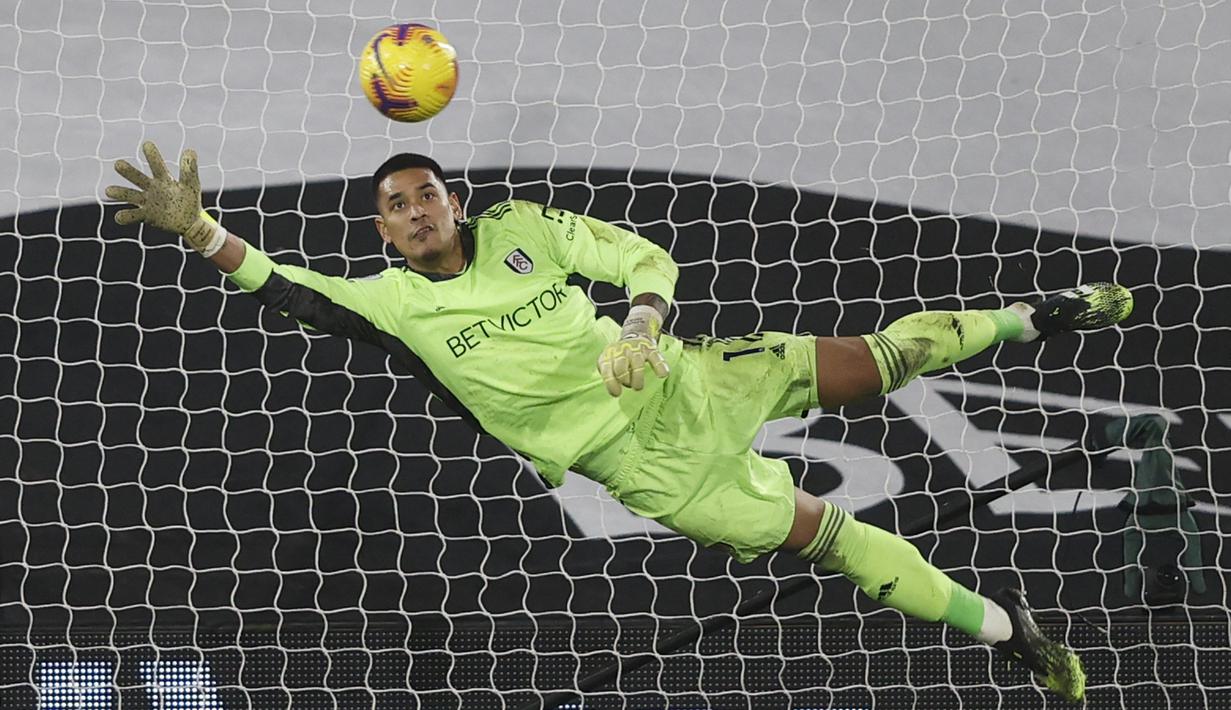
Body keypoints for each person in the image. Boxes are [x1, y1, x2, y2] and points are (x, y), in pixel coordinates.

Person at [107, 141, 1133, 703]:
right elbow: (287, 287)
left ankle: (1032, 315)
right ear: (381, 228)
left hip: (682, 375)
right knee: (830, 535)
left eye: (428, 193)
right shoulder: (395, 303)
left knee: (874, 358)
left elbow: (647, 261)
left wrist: (642, 323)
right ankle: (1012, 630)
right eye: (397, 204)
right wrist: (199, 228)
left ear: (455, 201)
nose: (418, 210)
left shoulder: (521, 231)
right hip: (645, 466)